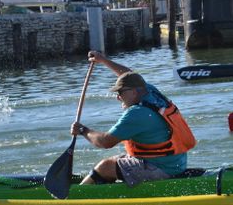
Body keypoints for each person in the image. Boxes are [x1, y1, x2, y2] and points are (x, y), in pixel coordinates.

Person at [71, 51, 196, 186]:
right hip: (176, 164)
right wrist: (103, 60)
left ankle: (76, 198)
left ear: (134, 92)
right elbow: (129, 75)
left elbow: (106, 142)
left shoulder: (137, 113)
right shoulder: (152, 93)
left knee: (105, 166)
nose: (118, 97)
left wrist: (83, 130)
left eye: (120, 92)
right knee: (116, 160)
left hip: (162, 169)